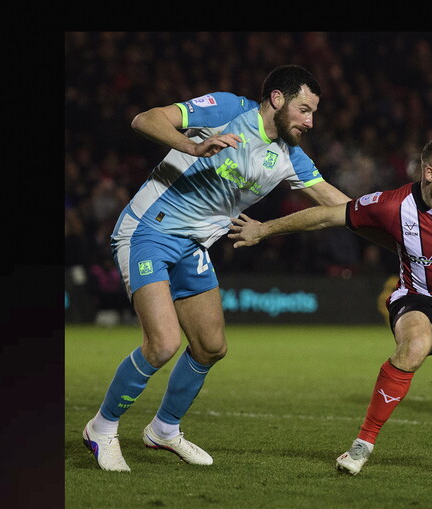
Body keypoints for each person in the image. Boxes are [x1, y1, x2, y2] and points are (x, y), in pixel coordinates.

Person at [81, 65, 376, 472]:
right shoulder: (224, 109)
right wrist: (191, 146)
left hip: (193, 247)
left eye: (314, 113)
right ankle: (101, 427)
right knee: (163, 343)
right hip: (149, 230)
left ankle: (164, 430)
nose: (311, 121)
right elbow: (144, 119)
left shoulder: (291, 156)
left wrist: (395, 227)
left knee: (210, 346)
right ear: (277, 99)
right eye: (305, 110)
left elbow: (336, 203)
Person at [229, 137, 432, 482]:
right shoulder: (393, 204)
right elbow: (325, 217)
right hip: (416, 299)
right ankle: (362, 445)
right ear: (430, 173)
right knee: (415, 345)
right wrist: (263, 229)